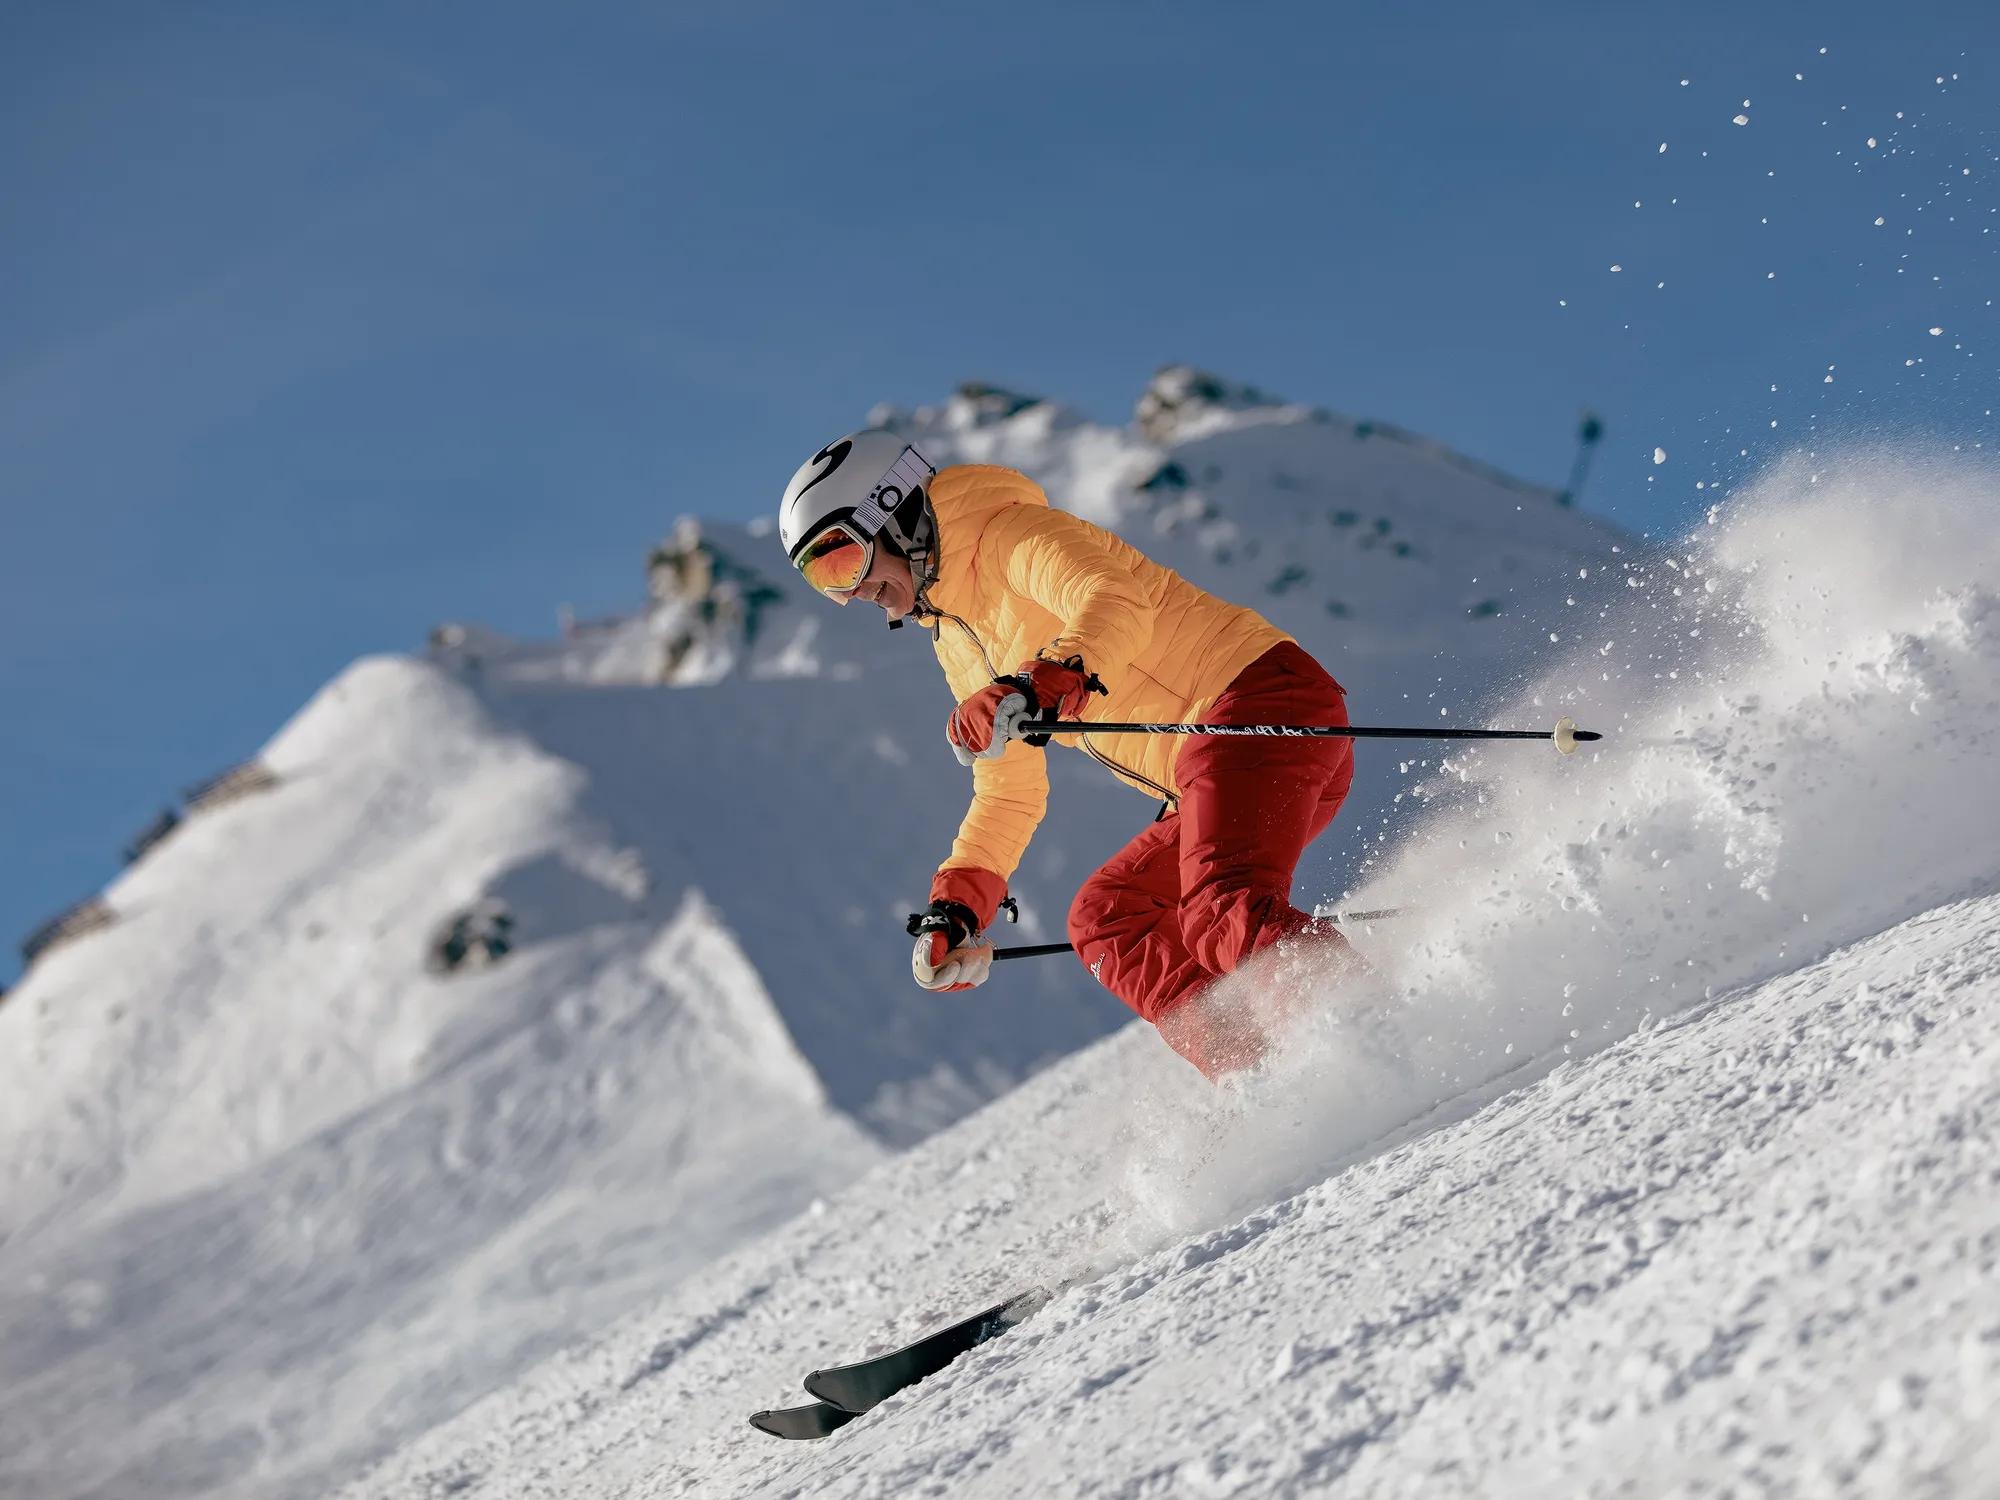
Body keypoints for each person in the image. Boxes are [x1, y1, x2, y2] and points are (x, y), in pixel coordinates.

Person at [778, 430, 1356, 1077]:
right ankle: (1265, 1074)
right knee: (1110, 917)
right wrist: (959, 906)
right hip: (1213, 772)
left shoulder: (1009, 535)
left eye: (843, 561)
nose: (850, 593)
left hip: (1256, 703)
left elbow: (1115, 599)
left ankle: (1368, 1025)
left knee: (1220, 911)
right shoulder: (957, 637)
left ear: (893, 512)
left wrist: (1045, 680)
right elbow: (1009, 789)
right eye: (823, 581)